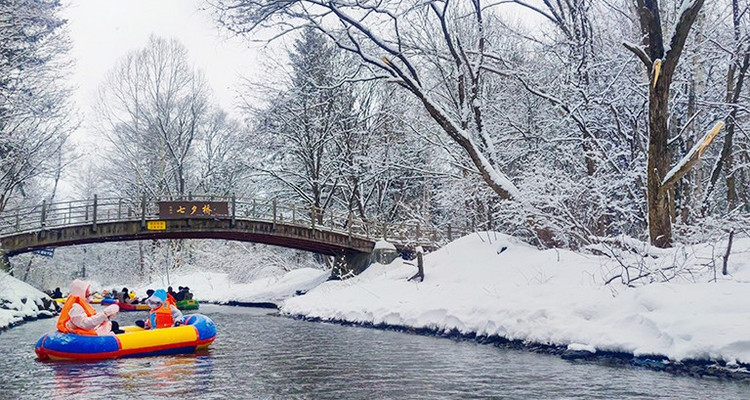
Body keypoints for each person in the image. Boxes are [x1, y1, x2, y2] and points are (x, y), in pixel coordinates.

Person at [56, 279, 122, 335]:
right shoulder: (76, 307)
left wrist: (107, 317)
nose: (89, 292)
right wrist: (105, 314)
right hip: (82, 334)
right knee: (114, 327)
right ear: (81, 292)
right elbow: (85, 324)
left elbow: (91, 319)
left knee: (113, 324)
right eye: (87, 290)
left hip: (85, 330)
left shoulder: (81, 304)